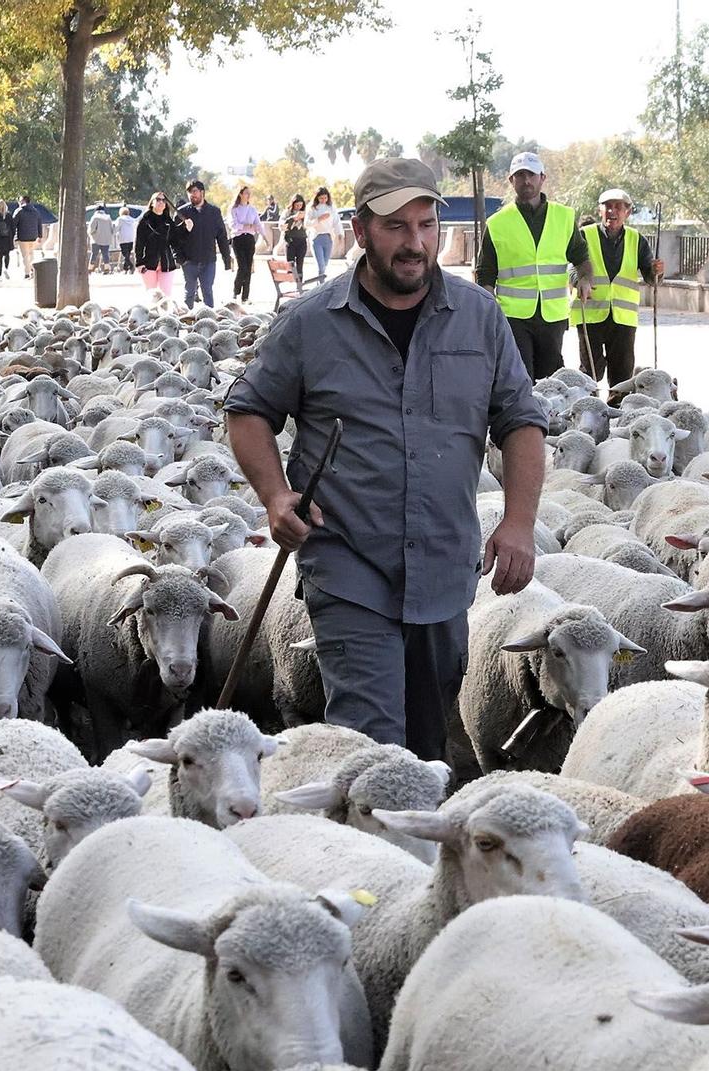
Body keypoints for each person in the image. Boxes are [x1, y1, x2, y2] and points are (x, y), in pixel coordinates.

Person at [226, 157, 547, 761]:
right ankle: (361, 850)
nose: (415, 243)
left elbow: (521, 422)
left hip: (445, 568)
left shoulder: (480, 319)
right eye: (396, 227)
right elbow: (249, 412)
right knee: (370, 745)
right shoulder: (310, 324)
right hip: (348, 562)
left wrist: (519, 521)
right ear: (361, 229)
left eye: (426, 226)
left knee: (427, 747)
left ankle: (408, 851)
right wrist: (275, 496)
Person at [476, 152, 589, 380]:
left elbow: (581, 257)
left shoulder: (564, 217)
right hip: (513, 316)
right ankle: (522, 416)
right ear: (511, 180)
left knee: (552, 377)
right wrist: (488, 308)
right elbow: (485, 271)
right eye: (520, 175)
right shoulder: (497, 223)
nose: (526, 180)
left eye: (531, 174)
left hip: (553, 315)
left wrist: (585, 279)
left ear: (542, 178)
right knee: (519, 376)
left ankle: (549, 417)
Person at [570, 188, 663, 399]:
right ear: (600, 210)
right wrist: (579, 281)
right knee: (590, 372)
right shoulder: (584, 235)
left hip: (623, 317)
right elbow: (572, 266)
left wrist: (656, 271)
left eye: (618, 207)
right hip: (591, 313)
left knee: (622, 373)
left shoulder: (636, 240)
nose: (613, 211)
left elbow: (650, 275)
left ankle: (619, 415)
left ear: (627, 212)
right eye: (608, 207)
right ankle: (588, 413)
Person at [174, 179, 233, 309]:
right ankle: (187, 323)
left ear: (202, 192)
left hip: (208, 260)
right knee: (189, 292)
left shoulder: (214, 212)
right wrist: (178, 258)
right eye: (189, 192)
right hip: (188, 261)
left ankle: (209, 321)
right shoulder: (181, 212)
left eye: (194, 191)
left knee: (207, 292)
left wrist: (227, 260)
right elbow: (174, 238)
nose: (192, 194)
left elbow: (222, 237)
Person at [135, 191, 180, 297]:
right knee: (151, 295)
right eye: (158, 200)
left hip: (167, 262)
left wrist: (186, 228)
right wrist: (139, 262)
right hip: (148, 263)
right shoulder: (145, 221)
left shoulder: (168, 221)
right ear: (152, 203)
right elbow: (139, 243)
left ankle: (166, 314)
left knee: (166, 295)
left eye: (164, 200)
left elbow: (175, 240)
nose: (161, 202)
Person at [229, 185, 262, 302]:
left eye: (249, 193)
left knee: (248, 267)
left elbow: (258, 224)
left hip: (249, 239)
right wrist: (245, 226)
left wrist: (266, 238)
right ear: (241, 194)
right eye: (246, 193)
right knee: (242, 266)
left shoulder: (252, 209)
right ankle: (236, 290)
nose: (248, 195)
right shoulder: (234, 209)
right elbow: (233, 224)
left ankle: (245, 296)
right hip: (238, 239)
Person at [307, 187, 339, 279]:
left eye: (325, 198)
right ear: (317, 198)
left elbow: (336, 222)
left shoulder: (331, 207)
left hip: (328, 238)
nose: (323, 200)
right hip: (316, 238)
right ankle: (321, 283)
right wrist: (319, 219)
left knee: (325, 264)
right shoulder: (312, 208)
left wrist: (339, 233)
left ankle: (320, 282)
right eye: (321, 198)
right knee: (320, 265)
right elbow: (307, 223)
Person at [12, 194, 44, 277]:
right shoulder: (36, 211)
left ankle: (27, 273)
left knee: (25, 256)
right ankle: (32, 270)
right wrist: (40, 236)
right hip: (33, 236)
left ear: (23, 201)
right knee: (31, 254)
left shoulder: (19, 211)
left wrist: (12, 236)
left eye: (19, 201)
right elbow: (39, 224)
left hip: (22, 237)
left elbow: (13, 224)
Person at [283, 193, 308, 285]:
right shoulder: (287, 213)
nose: (298, 207)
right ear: (293, 204)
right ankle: (292, 280)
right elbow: (282, 224)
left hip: (302, 240)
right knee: (290, 262)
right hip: (291, 240)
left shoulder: (305, 213)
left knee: (300, 262)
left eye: (300, 205)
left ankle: (299, 283)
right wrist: (293, 218)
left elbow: (309, 224)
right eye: (297, 205)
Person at [88, 205, 116, 273]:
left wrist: (90, 234)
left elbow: (91, 229)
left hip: (96, 239)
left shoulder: (95, 217)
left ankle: (90, 268)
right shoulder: (108, 217)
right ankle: (106, 268)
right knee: (105, 254)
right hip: (106, 239)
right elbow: (112, 229)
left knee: (94, 254)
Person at [116, 204, 138, 272]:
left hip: (123, 238)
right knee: (127, 253)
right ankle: (126, 268)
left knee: (125, 254)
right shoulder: (132, 220)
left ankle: (131, 266)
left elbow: (116, 228)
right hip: (131, 238)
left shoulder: (120, 219)